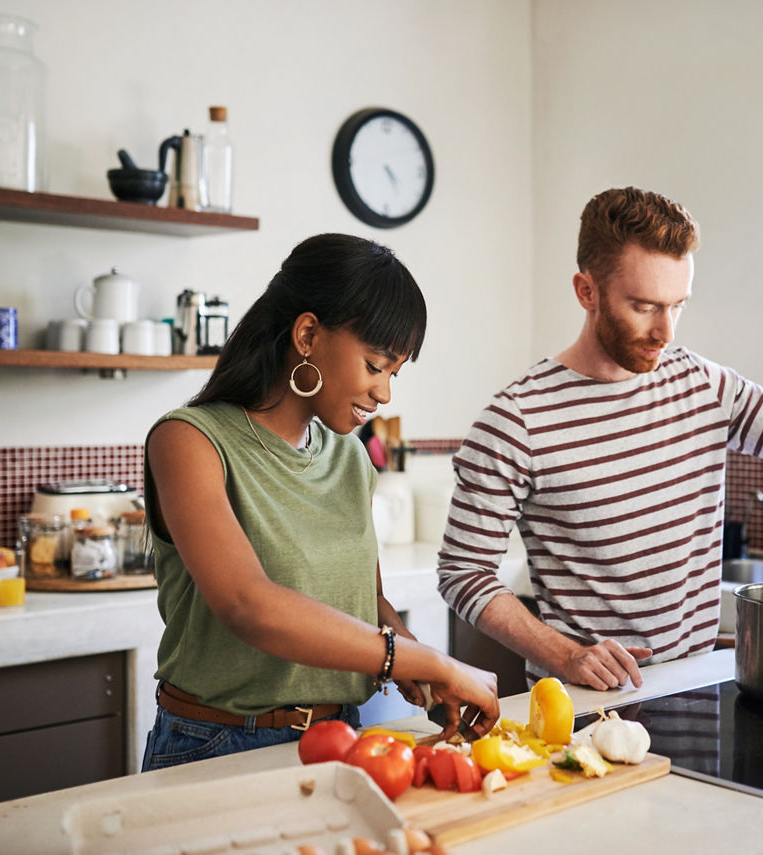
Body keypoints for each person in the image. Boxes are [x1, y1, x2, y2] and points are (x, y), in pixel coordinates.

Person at [437, 187, 763, 692]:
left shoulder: (702, 385)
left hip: (696, 696)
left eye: (677, 305)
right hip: (582, 709)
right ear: (587, 291)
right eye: (644, 306)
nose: (665, 331)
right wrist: (566, 655)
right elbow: (462, 571)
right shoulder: (517, 419)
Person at [141, 233, 498, 772]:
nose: (385, 393)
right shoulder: (189, 441)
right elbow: (247, 605)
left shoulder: (351, 458)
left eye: (395, 373)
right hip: (215, 745)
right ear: (307, 334)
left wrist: (423, 674)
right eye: (376, 364)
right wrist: (430, 659)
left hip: (340, 742)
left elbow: (365, 603)